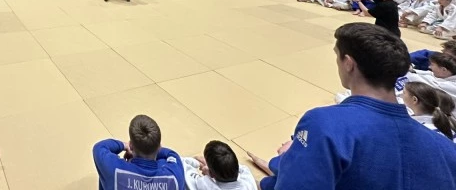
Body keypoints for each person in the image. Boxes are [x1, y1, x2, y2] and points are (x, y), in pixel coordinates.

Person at [259, 23, 456, 190]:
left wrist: (285, 163)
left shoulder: (325, 125)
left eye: (337, 56)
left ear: (348, 63)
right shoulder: (447, 150)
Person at [92, 114, 184, 190]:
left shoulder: (115, 169)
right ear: (159, 147)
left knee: (106, 175)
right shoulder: (174, 176)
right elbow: (171, 154)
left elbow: (100, 147)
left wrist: (124, 146)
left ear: (131, 146)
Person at [182, 140, 257, 190]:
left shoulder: (207, 185)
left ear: (211, 174)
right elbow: (242, 168)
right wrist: (211, 167)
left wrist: (195, 162)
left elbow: (182, 164)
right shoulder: (248, 182)